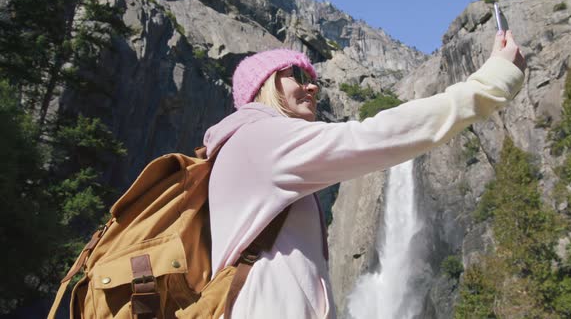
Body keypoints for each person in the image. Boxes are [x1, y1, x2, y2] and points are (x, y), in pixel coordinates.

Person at [203, 30, 526, 318]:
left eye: (313, 78)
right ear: (264, 84)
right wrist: (491, 82)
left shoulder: (248, 146)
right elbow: (378, 136)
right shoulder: (260, 137)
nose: (312, 85)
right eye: (298, 74)